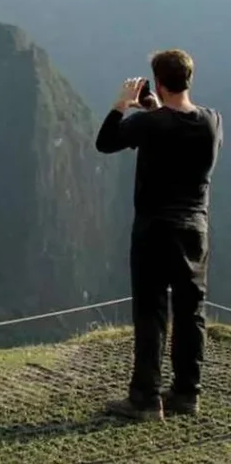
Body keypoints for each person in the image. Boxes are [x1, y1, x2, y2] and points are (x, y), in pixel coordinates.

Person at [95, 49, 222, 421]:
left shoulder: (149, 126)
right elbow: (177, 129)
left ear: (160, 82)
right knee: (190, 312)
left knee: (151, 313)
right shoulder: (212, 121)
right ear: (188, 79)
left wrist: (122, 105)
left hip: (154, 231)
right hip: (194, 231)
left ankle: (146, 398)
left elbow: (106, 142)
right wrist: (155, 108)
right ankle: (186, 393)